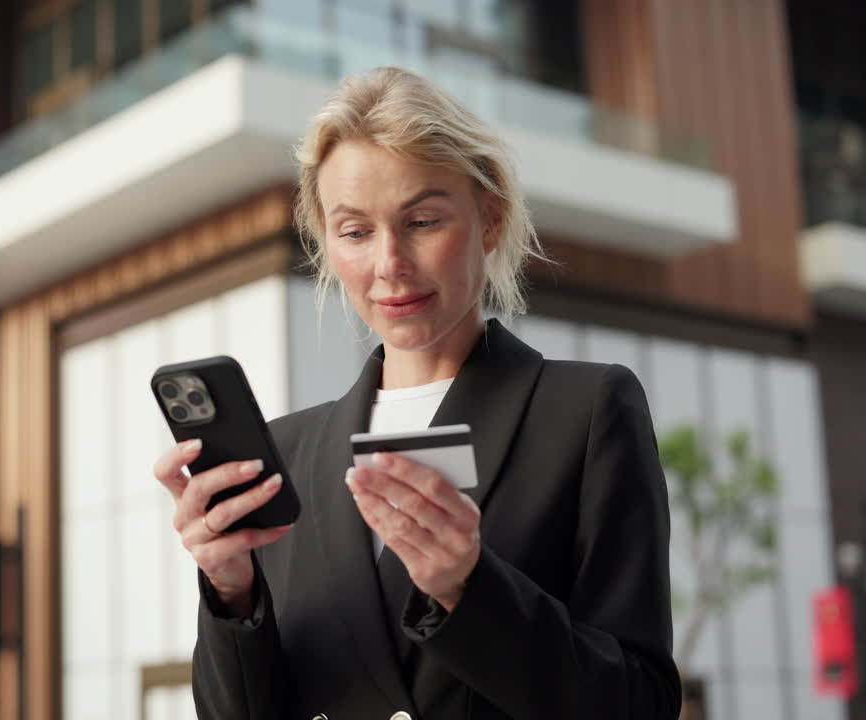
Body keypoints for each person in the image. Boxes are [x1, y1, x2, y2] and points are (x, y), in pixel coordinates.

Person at [151, 66, 679, 720]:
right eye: (354, 231)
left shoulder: (586, 413)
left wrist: (471, 592)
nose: (389, 264)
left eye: (422, 220)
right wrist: (230, 594)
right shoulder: (286, 455)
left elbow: (641, 704)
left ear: (489, 220)